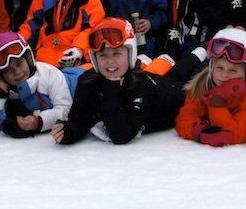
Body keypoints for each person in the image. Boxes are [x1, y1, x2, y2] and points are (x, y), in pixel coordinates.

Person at [51, 18, 185, 144]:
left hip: (182, 98)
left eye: (117, 53)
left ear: (131, 54)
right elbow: (80, 120)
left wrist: (110, 89)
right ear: (94, 59)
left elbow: (121, 135)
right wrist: (67, 133)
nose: (110, 61)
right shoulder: (87, 81)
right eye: (103, 55)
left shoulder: (142, 86)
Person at [175, 28, 246, 146]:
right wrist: (198, 131)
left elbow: (238, 133)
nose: (224, 75)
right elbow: (185, 118)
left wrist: (217, 102)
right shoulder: (202, 85)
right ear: (211, 67)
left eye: (233, 70)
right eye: (219, 68)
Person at [0, 31, 73, 137]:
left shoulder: (48, 73)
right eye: (7, 70)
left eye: (19, 63)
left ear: (29, 59)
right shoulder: (8, 92)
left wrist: (38, 121)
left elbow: (66, 109)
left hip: (80, 83)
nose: (17, 72)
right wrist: (0, 93)